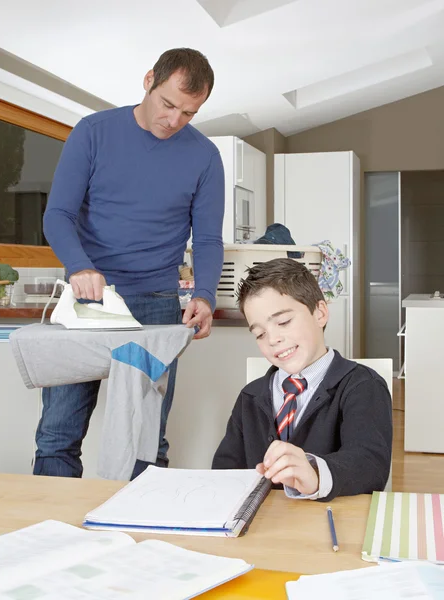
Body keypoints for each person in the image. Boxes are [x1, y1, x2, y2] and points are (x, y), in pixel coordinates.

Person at [37, 48, 225, 479]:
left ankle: (139, 538)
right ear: (148, 81)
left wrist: (205, 295)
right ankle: (48, 531)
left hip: (158, 305)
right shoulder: (93, 132)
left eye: (189, 113)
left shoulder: (205, 157)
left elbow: (209, 239)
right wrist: (80, 265)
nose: (174, 120)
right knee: (58, 431)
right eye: (169, 104)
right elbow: (58, 215)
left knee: (147, 435)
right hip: (90, 300)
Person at [212, 258, 392, 501]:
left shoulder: (363, 386)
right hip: (262, 530)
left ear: (320, 313)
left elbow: (370, 464)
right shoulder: (250, 396)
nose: (273, 339)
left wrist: (315, 473)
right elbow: (224, 472)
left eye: (284, 322)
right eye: (260, 334)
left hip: (330, 525)